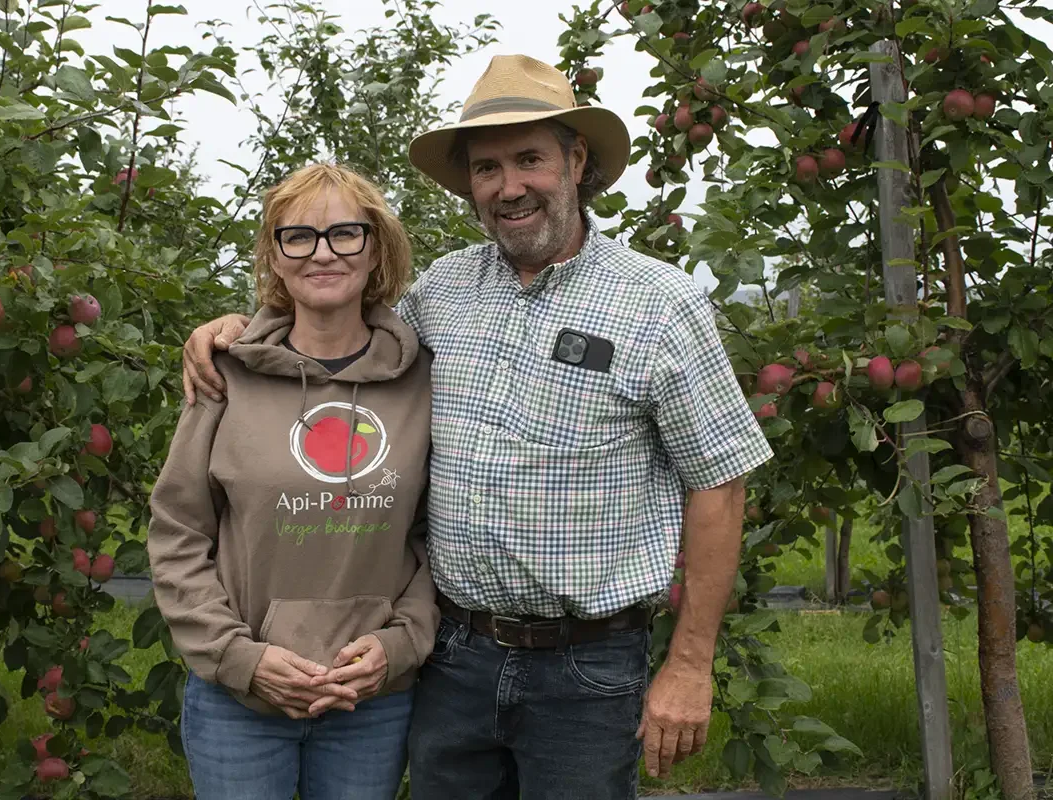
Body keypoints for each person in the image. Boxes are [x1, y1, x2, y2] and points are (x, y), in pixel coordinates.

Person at [180, 55, 774, 799]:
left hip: (586, 667)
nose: (509, 186)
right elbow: (333, 320)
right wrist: (239, 329)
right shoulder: (444, 293)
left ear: (576, 160)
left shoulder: (660, 303)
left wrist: (689, 665)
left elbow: (719, 482)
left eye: (530, 159)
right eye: (487, 168)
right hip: (454, 658)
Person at [147, 163, 439, 800]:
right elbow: (177, 533)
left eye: (345, 233)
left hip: (371, 701)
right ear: (274, 256)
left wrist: (402, 644)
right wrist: (238, 659)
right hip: (241, 703)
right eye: (298, 236)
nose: (322, 252)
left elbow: (437, 535)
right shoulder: (225, 374)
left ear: (376, 247)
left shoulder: (424, 380)